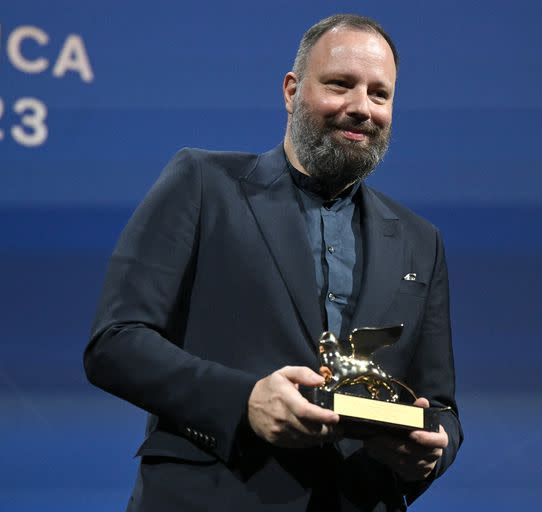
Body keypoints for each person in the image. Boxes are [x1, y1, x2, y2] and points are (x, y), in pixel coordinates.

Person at [84, 14, 462, 512]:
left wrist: (431, 450)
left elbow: (441, 407)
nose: (360, 108)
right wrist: (244, 402)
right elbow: (116, 343)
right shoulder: (203, 183)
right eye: (340, 85)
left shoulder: (420, 240)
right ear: (291, 90)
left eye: (379, 94)